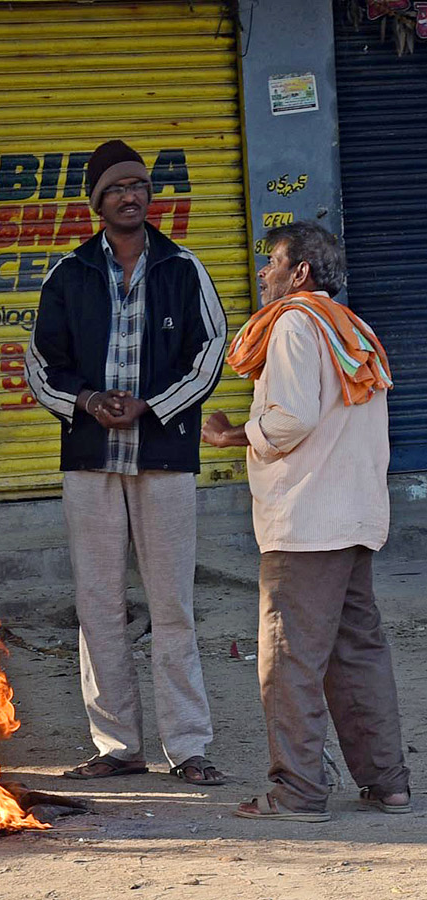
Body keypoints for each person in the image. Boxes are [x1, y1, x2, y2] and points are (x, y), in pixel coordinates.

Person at [25, 139, 228, 785]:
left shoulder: (183, 266)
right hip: (89, 460)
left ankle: (188, 747)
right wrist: (85, 400)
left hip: (164, 456)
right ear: (96, 202)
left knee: (171, 606)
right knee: (99, 604)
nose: (130, 195)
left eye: (138, 184)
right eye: (116, 188)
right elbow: (39, 364)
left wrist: (152, 406)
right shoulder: (68, 273)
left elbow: (211, 352)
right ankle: (117, 747)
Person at [201, 221, 408, 822]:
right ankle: (388, 784)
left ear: (301, 274)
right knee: (357, 653)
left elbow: (290, 420)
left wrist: (232, 435)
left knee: (289, 659)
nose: (263, 273)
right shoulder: (353, 328)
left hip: (307, 524)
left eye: (273, 262)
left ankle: (297, 792)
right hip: (352, 520)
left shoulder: (295, 323)